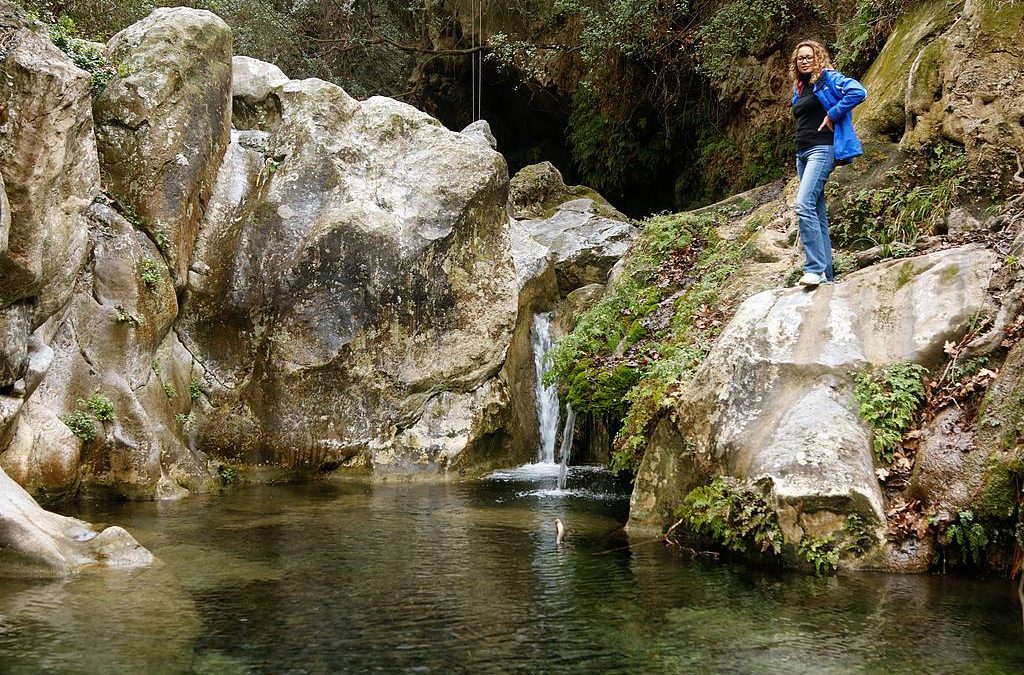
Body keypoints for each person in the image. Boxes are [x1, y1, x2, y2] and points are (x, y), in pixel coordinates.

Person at [790, 40, 866, 287]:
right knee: (816, 211)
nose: (804, 60)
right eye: (800, 57)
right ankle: (826, 275)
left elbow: (858, 91)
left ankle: (814, 269)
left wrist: (833, 114)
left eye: (808, 56)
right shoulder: (801, 88)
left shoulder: (828, 78)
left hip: (822, 149)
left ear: (818, 57)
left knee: (803, 204)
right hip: (802, 152)